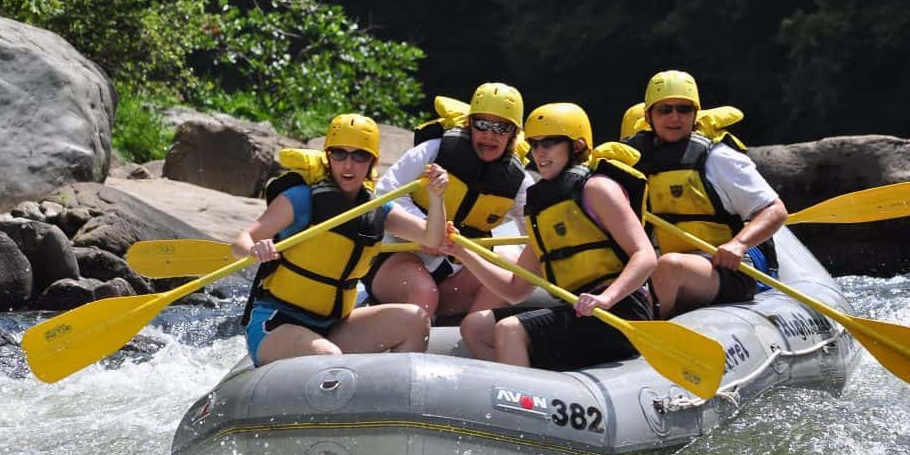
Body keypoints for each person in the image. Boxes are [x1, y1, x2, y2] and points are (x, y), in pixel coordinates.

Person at [446, 103, 657, 370]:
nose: (539, 153)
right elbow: (515, 289)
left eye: (550, 143)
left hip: (621, 309)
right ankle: (540, 387)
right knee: (476, 326)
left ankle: (520, 404)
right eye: (534, 144)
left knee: (511, 330)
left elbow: (646, 255)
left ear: (577, 146)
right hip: (579, 311)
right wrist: (462, 252)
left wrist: (607, 298)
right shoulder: (541, 209)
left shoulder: (598, 189)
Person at [233, 114, 450, 367]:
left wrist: (437, 198)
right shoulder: (302, 199)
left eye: (359, 156)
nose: (348, 165)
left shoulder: (378, 209)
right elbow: (241, 241)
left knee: (415, 320)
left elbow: (432, 238)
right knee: (328, 358)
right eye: (339, 155)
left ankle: (392, 399)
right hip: (278, 322)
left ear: (372, 162)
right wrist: (255, 248)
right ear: (328, 157)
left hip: (333, 326)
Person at [622, 70, 787, 318]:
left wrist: (739, 245)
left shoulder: (717, 158)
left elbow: (776, 210)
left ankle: (644, 339)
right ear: (649, 116)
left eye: (684, 109)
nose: (675, 117)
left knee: (669, 266)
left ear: (695, 114)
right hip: (657, 268)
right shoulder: (633, 164)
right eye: (665, 110)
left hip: (724, 268)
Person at [365, 82, 535, 320]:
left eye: (501, 128)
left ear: (514, 135)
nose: (489, 135)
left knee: (508, 268)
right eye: (482, 124)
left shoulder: (518, 182)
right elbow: (384, 195)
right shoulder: (433, 152)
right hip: (400, 255)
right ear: (469, 125)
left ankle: (470, 340)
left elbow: (536, 231)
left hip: (455, 267)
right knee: (423, 291)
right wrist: (428, 230)